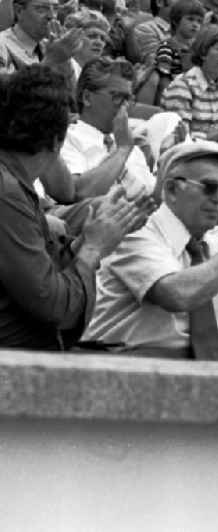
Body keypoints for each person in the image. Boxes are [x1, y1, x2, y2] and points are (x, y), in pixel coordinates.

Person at [82, 141, 218, 358]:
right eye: (209, 187)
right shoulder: (136, 231)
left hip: (200, 366)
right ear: (172, 189)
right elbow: (176, 295)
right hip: (125, 363)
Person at [0, 65, 151, 349]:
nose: (124, 106)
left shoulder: (13, 183)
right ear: (57, 142)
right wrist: (94, 249)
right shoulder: (7, 192)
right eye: (117, 96)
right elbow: (56, 308)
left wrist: (83, 242)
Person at [60, 58, 155, 208]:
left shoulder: (128, 143)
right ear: (87, 97)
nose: (124, 106)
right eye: (117, 97)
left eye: (128, 99)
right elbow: (79, 194)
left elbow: (152, 196)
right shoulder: (67, 139)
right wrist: (122, 150)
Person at [138, 0, 204, 107]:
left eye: (199, 21)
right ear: (176, 21)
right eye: (190, 19)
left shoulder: (197, 50)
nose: (195, 25)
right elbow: (163, 80)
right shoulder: (168, 46)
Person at [0, 0, 81, 74]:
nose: (52, 16)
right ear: (19, 10)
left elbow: (75, 87)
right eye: (42, 9)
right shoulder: (2, 44)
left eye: (56, 8)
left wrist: (65, 61)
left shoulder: (53, 46)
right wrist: (51, 61)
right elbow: (7, 88)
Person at [63, 9, 109, 79]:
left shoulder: (104, 75)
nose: (99, 42)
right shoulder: (63, 68)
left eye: (103, 39)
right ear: (75, 37)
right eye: (92, 36)